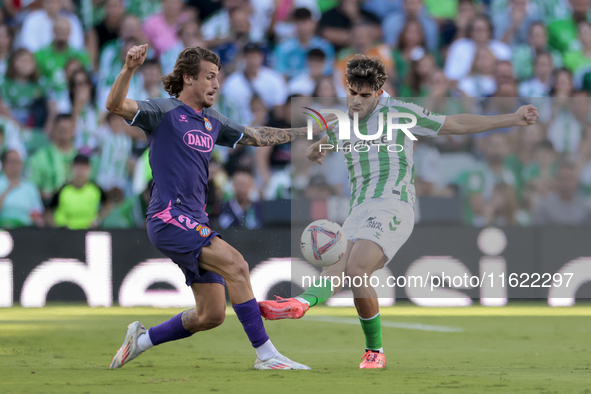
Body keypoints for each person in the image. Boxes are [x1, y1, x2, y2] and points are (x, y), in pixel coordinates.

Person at [258, 54, 539, 369]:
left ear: (379, 93)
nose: (358, 101)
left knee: (356, 269)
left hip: (394, 204)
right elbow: (330, 139)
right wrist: (317, 148)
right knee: (336, 268)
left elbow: (456, 124)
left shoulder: (401, 113)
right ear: (346, 87)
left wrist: (511, 119)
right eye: (353, 93)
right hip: (358, 210)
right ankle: (300, 303)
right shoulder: (341, 122)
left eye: (366, 96)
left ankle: (375, 352)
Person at [106, 45, 330, 370]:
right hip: (169, 216)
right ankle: (266, 355)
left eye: (218, 78)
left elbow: (255, 135)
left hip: (194, 219)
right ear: (188, 78)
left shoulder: (212, 120)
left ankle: (140, 340)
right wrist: (128, 68)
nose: (216, 84)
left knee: (211, 315)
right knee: (237, 266)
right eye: (209, 77)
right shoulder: (163, 111)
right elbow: (114, 105)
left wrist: (306, 131)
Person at [48, 154, 108, 229]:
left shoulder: (96, 189)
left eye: (84, 168)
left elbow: (108, 203)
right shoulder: (62, 190)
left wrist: (97, 221)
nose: (81, 171)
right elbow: (48, 211)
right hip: (65, 233)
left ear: (90, 169)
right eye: (78, 167)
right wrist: (57, 228)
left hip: (88, 233)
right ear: (71, 168)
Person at [0, 150, 44, 228]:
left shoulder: (30, 187)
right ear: (3, 164)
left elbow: (37, 213)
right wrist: (8, 189)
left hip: (25, 229)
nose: (15, 165)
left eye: (18, 162)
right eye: (12, 161)